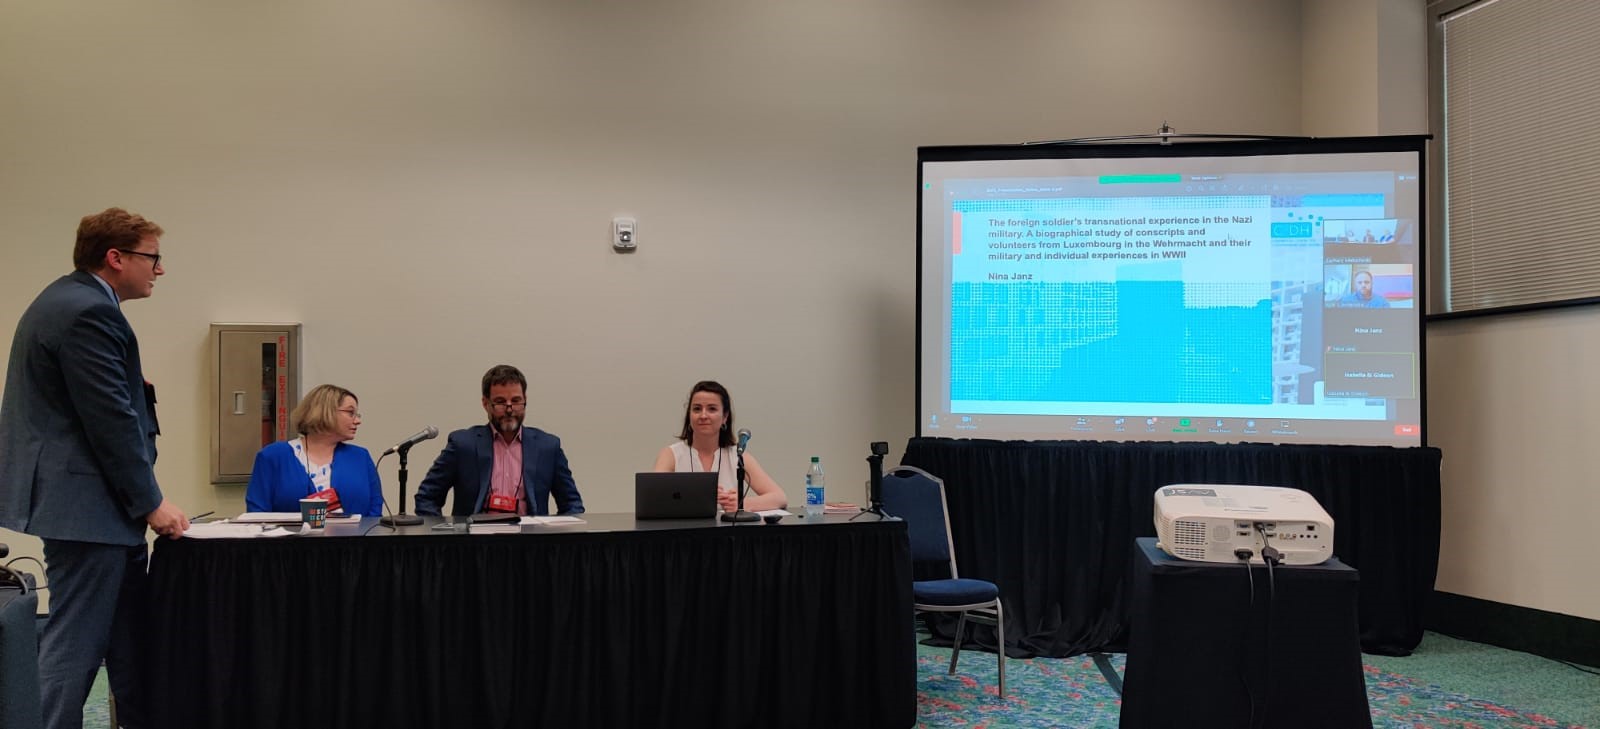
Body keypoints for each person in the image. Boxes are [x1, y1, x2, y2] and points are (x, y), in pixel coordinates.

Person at [0, 207, 189, 729]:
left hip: (96, 512)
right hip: (88, 515)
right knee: (75, 644)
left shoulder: (70, 301)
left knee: (129, 644)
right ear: (115, 257)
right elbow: (110, 422)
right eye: (152, 257)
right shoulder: (88, 312)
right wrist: (151, 503)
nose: (160, 269)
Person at [414, 365, 585, 516]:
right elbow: (427, 497)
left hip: (529, 539)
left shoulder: (548, 446)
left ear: (525, 400)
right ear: (485, 403)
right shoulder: (463, 445)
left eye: (516, 401)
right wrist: (446, 535)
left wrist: (554, 537)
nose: (509, 410)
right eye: (500, 402)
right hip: (476, 540)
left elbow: (572, 505)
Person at [244, 384, 383, 516]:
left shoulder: (360, 457)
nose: (357, 421)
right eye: (350, 413)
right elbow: (257, 513)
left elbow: (375, 510)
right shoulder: (273, 456)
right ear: (325, 412)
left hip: (355, 534)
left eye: (357, 415)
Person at [653, 380, 787, 511]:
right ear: (689, 416)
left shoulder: (738, 456)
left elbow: (780, 497)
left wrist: (742, 503)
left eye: (712, 409)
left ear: (725, 417)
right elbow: (653, 496)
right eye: (697, 409)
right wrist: (698, 494)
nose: (703, 415)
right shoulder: (671, 454)